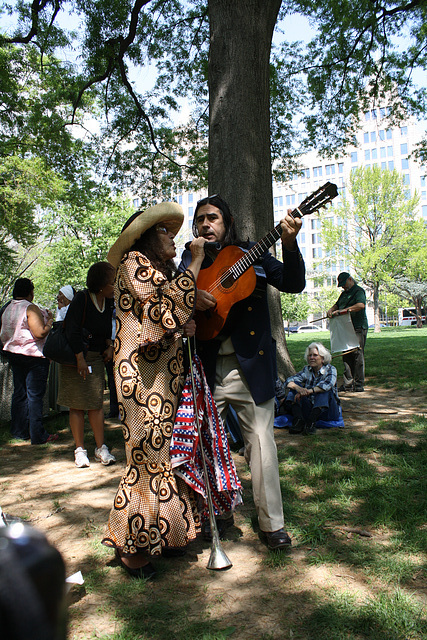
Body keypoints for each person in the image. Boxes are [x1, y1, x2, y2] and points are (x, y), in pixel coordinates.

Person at [178, 194, 306, 550]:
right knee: (204, 445)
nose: (206, 224)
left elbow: (294, 284)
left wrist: (291, 243)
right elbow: (174, 302)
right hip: (204, 366)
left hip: (249, 365)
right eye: (200, 219)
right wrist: (192, 296)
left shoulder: (255, 253)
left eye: (213, 218)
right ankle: (217, 511)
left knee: (263, 445)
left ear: (227, 222)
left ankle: (272, 524)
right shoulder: (189, 258)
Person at [102, 202, 208, 579]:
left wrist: (182, 330)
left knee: (159, 458)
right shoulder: (133, 262)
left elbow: (161, 322)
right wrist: (194, 264)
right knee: (146, 459)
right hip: (141, 380)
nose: (175, 239)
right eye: (165, 232)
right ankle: (131, 549)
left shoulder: (152, 271)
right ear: (146, 237)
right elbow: (165, 311)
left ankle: (163, 535)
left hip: (158, 379)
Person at [57, 262, 116, 468]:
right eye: (112, 283)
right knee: (77, 403)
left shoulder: (108, 302)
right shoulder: (82, 299)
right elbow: (72, 329)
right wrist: (80, 358)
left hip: (97, 357)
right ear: (101, 285)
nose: (115, 286)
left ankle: (101, 447)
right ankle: (80, 450)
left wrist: (109, 346)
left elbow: (108, 325)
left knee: (96, 402)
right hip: (76, 357)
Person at [0, 278, 58, 444]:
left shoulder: (8, 308)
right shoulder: (29, 308)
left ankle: (19, 430)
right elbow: (39, 333)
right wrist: (49, 322)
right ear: (29, 292)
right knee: (34, 395)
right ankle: (38, 434)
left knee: (19, 393)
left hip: (14, 353)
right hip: (33, 356)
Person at [281, 342, 340, 435]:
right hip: (310, 408)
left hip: (328, 411)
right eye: (310, 355)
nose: (311, 358)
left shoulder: (331, 369)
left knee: (324, 391)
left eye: (315, 355)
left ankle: (311, 423)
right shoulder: (306, 370)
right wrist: (298, 388)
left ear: (323, 358)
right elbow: (288, 381)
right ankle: (298, 420)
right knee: (294, 386)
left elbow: (327, 384)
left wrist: (308, 391)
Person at [327, 272, 368, 392]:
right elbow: (337, 305)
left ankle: (359, 384)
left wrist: (344, 311)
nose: (343, 287)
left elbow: (361, 305)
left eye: (344, 284)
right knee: (346, 355)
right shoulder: (344, 294)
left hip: (358, 327)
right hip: (345, 329)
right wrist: (331, 310)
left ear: (350, 279)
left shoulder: (358, 291)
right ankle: (347, 384)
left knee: (357, 355)